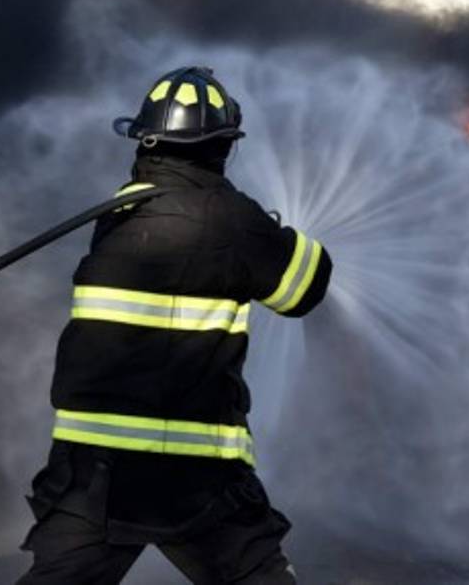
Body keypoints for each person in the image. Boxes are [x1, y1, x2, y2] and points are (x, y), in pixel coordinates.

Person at [18, 67, 332, 584]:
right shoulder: (234, 221)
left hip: (94, 474)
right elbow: (305, 287)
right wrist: (269, 232)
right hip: (197, 476)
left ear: (145, 142)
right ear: (222, 147)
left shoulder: (116, 216)